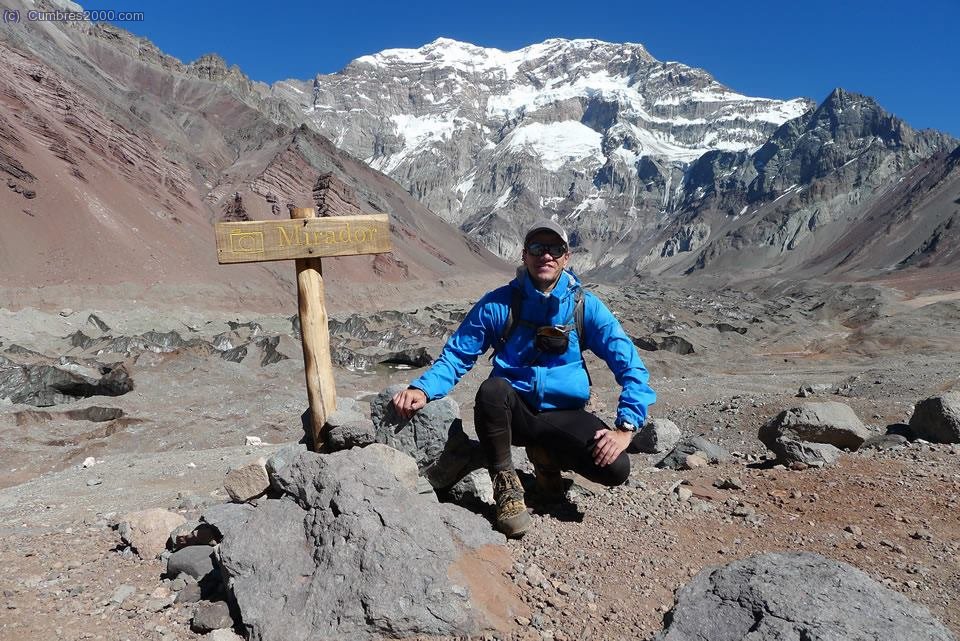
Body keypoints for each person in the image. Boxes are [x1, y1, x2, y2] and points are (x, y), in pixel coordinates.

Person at [392, 219, 655, 538]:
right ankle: (505, 487)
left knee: (616, 469)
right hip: (512, 412)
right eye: (537, 248)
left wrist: (626, 428)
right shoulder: (498, 304)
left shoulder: (584, 307)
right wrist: (424, 388)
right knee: (492, 390)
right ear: (524, 255)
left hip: (564, 415)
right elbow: (459, 354)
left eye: (555, 249)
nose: (546, 255)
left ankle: (546, 461)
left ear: (566, 257)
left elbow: (630, 365)